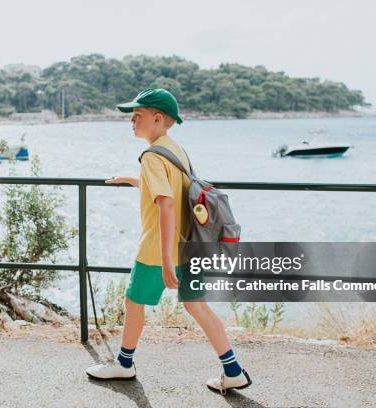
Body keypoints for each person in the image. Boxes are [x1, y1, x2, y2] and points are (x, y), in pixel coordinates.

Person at [85, 88, 252, 394]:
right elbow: (175, 189)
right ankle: (233, 370)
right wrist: (134, 180)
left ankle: (124, 364)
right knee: (196, 305)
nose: (132, 121)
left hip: (159, 247)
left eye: (137, 116)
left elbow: (167, 204)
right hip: (191, 243)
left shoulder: (151, 156)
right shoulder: (175, 148)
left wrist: (164, 260)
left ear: (158, 118)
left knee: (134, 301)